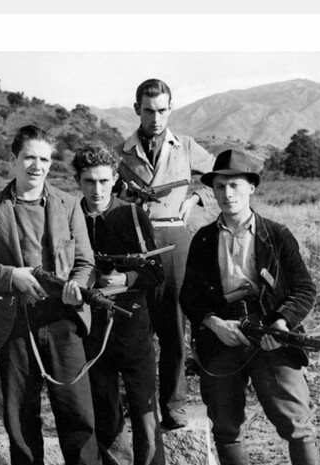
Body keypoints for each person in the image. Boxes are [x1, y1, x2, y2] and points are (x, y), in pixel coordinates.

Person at [0, 125, 123, 465]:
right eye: (29, 157)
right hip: (15, 323)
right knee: (20, 416)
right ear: (13, 160)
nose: (37, 166)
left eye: (45, 159)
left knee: (77, 413)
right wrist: (11, 275)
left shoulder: (68, 205)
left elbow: (84, 261)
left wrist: (76, 286)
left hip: (63, 322)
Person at [179, 149, 320, 465]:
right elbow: (189, 297)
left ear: (251, 188)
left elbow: (304, 289)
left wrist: (281, 322)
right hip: (224, 342)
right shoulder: (202, 239)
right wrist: (214, 323)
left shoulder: (277, 236)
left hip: (271, 342)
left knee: (297, 426)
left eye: (235, 185)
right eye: (219, 186)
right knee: (226, 424)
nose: (227, 193)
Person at [71, 142, 168, 465]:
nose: (97, 190)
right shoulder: (69, 216)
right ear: (78, 181)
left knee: (145, 414)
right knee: (103, 413)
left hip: (133, 330)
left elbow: (156, 273)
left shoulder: (131, 214)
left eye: (105, 181)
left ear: (116, 179)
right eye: (89, 181)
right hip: (91, 333)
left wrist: (125, 278)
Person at [116, 78, 216, 430]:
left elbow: (221, 175)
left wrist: (196, 199)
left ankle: (174, 405)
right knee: (136, 326)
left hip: (176, 240)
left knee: (175, 326)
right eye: (148, 110)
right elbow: (106, 194)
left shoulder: (186, 146)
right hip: (136, 243)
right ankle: (138, 403)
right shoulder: (122, 152)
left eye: (162, 110)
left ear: (171, 109)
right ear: (137, 110)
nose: (155, 118)